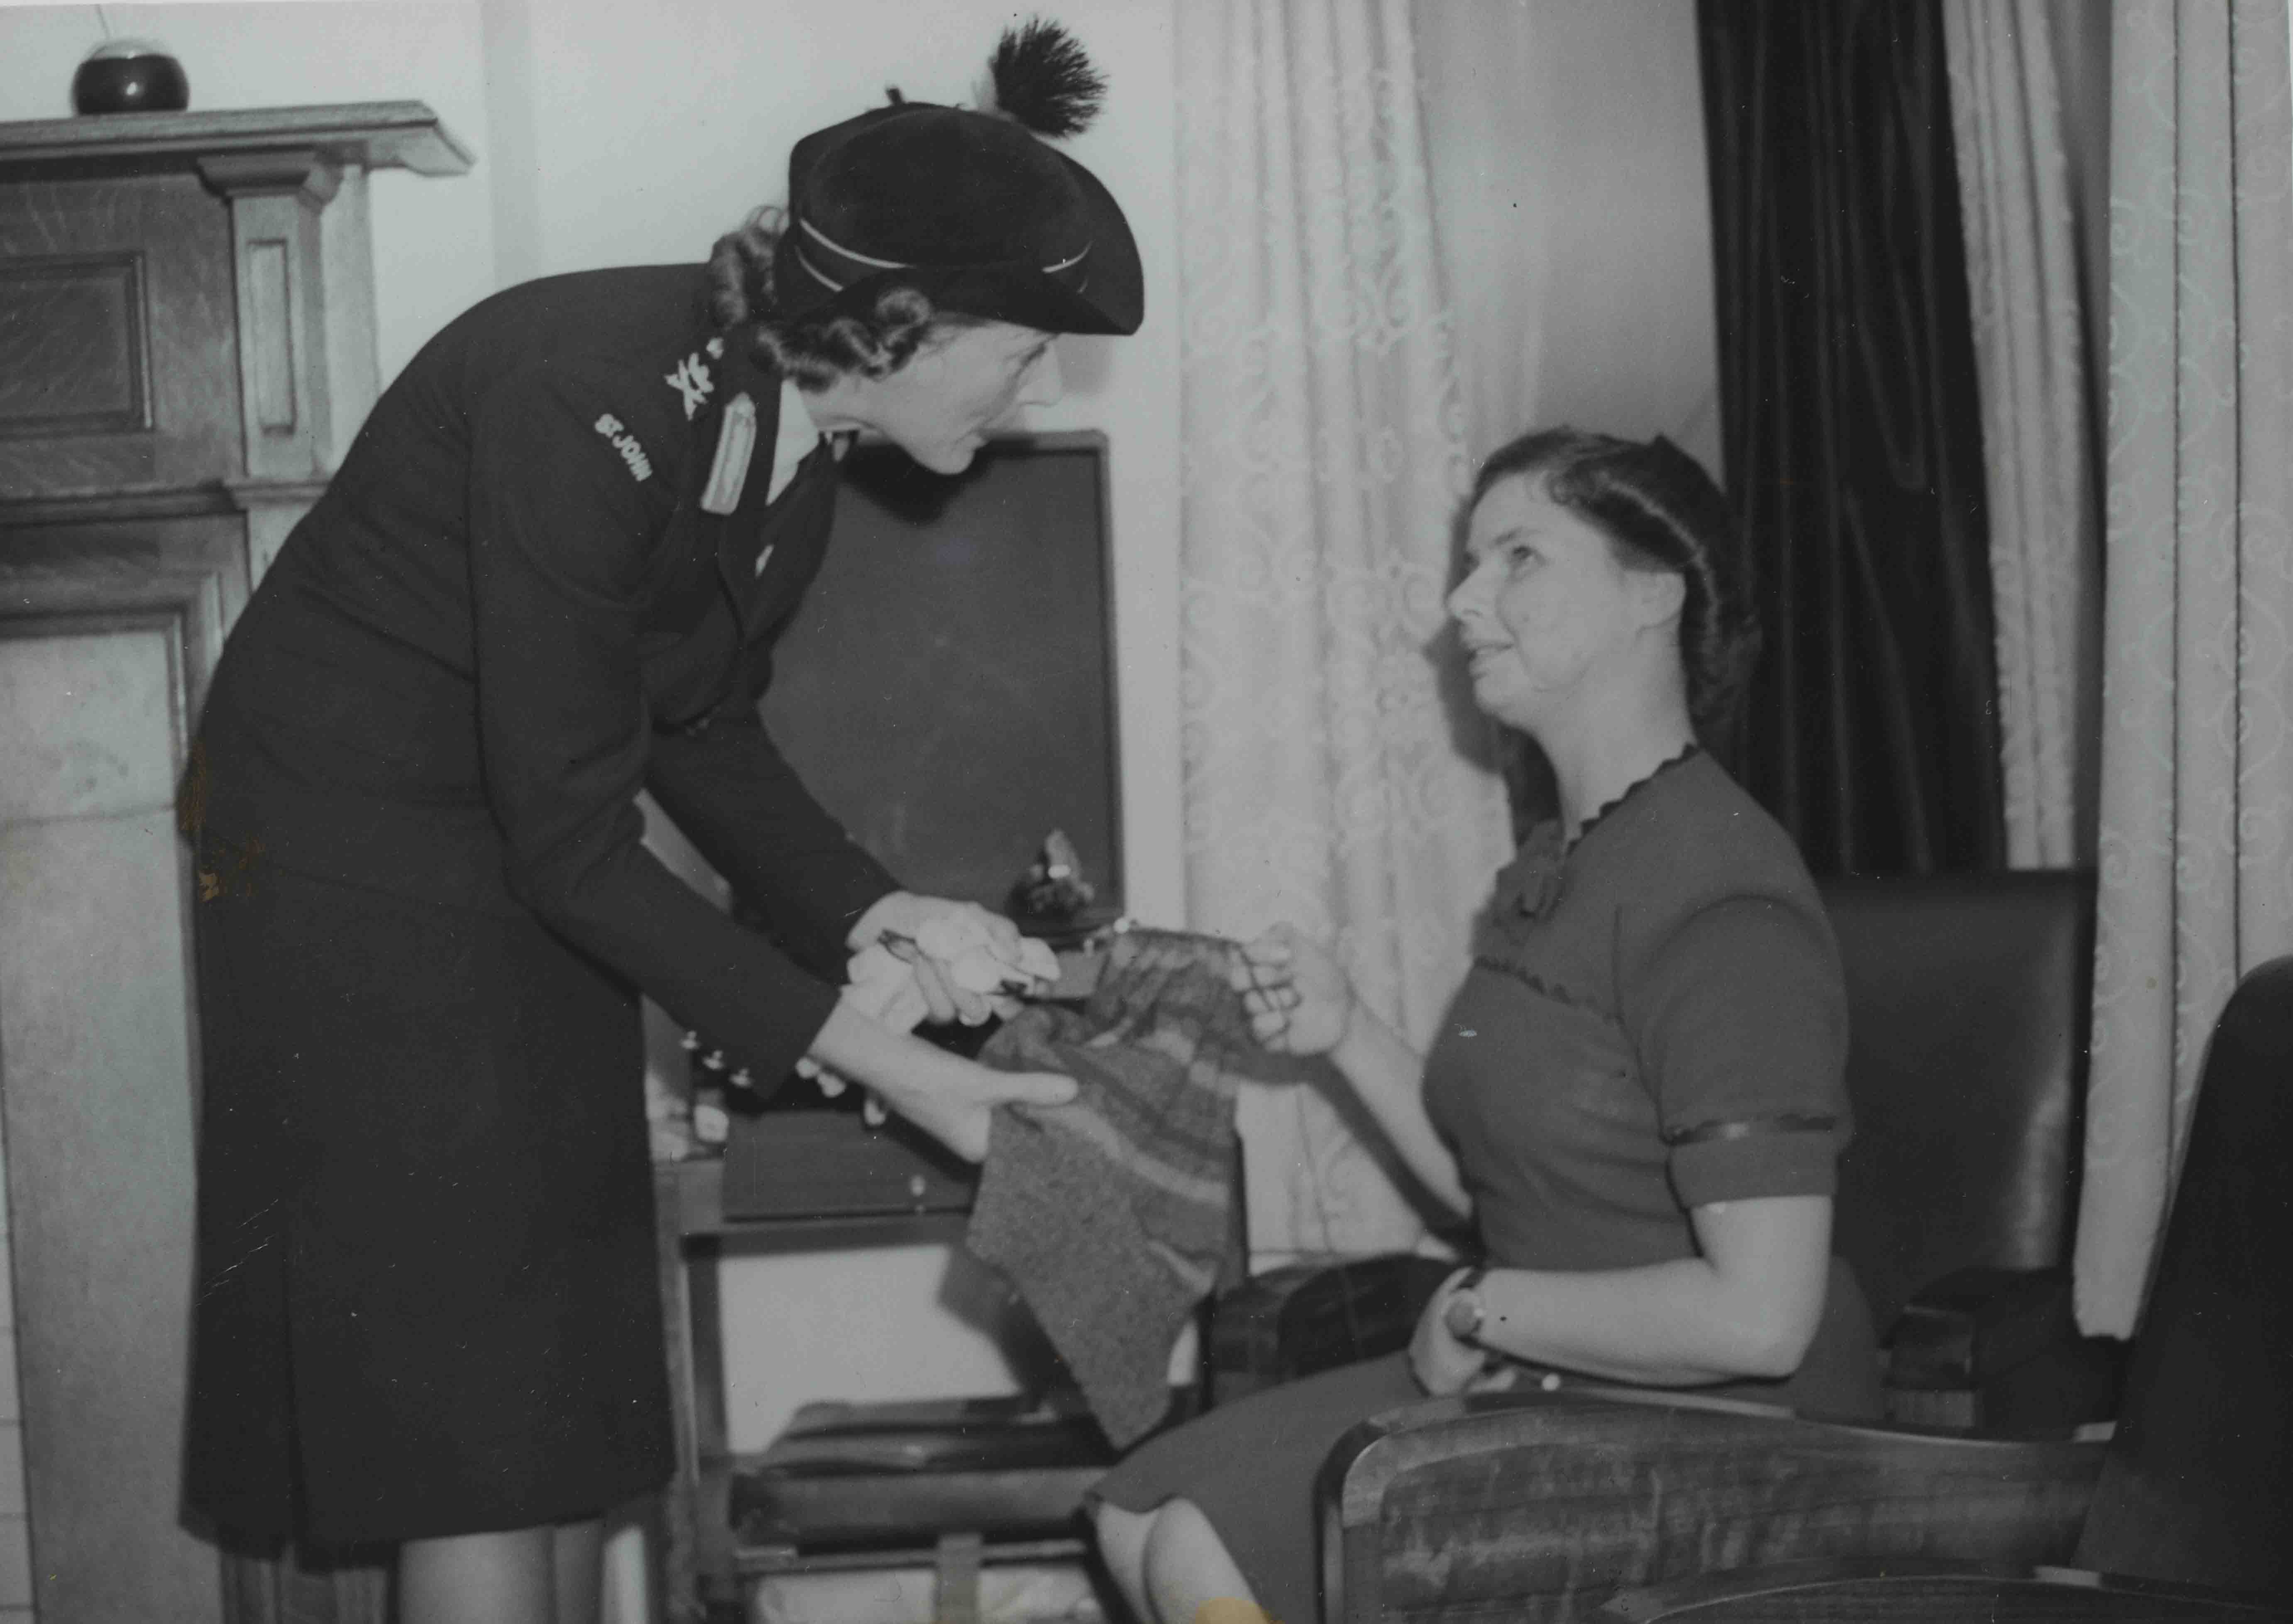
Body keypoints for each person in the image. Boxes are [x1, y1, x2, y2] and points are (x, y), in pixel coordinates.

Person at [177, 22, 1139, 1624]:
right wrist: (898, 1068)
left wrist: (872, 907)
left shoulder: (797, 441)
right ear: (905, 328)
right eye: (1024, 349)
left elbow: (692, 720)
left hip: (511, 857)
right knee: (470, 1424)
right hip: (357, 880)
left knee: (556, 1391)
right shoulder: (592, 396)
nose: (1035, 388)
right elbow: (570, 835)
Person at [1090, 428, 1884, 1624]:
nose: (1463, 602)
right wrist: (1344, 1027)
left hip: (1735, 1430)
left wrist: (1478, 1306)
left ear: (1651, 594)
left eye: (1518, 557)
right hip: (1573, 1373)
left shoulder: (1721, 895)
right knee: (1137, 1507)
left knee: (1202, 1551)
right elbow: (1502, 1182)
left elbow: (1761, 1316)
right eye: (1470, 563)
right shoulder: (1568, 857)